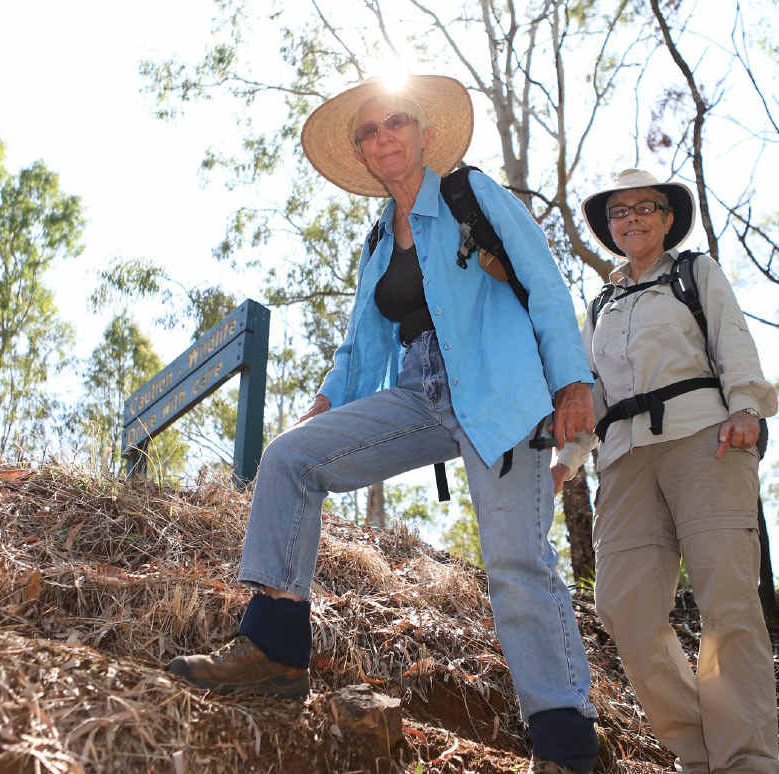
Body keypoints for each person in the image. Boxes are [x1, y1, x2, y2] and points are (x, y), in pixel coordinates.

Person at [168, 75, 600, 774]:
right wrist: (327, 403)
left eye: (394, 121)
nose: (382, 138)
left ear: (423, 133)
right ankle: (276, 647)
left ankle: (565, 743)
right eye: (368, 133)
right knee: (290, 460)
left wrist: (572, 380)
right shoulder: (376, 243)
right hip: (420, 393)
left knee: (517, 562)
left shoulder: (473, 196)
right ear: (363, 156)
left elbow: (545, 284)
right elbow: (360, 348)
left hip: (502, 392)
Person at [552, 169, 779, 774]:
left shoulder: (694, 273)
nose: (631, 219)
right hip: (624, 458)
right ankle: (701, 752)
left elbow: (733, 338)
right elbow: (588, 391)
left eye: (644, 208)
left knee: (728, 601)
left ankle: (748, 759)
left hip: (704, 439)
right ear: (610, 228)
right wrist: (569, 457)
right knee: (622, 606)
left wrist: (746, 407)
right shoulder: (601, 305)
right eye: (619, 212)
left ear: (666, 217)